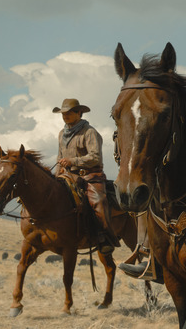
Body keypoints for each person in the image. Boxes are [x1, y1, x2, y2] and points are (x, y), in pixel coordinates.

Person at [54, 98, 118, 254]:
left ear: (79, 113)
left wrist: (72, 161)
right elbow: (59, 158)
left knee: (98, 203)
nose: (65, 116)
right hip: (68, 177)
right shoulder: (62, 133)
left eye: (69, 113)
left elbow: (95, 157)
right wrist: (56, 177)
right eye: (63, 113)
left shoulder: (89, 132)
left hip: (90, 176)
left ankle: (104, 237)